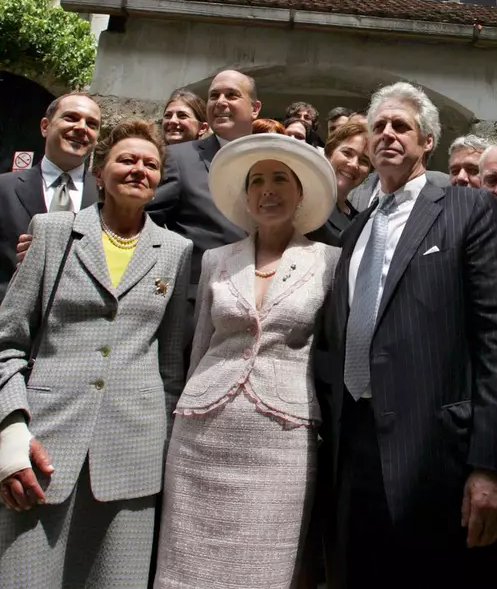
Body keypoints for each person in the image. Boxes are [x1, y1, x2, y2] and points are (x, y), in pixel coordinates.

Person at [317, 81, 497, 589]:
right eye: (378, 126)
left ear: (427, 141)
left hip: (434, 455)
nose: (387, 134)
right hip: (353, 449)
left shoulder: (466, 209)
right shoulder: (354, 230)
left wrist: (490, 465)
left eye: (400, 126)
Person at [0, 119, 192, 589]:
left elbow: (170, 366)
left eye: (150, 164)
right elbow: (7, 341)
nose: (138, 170)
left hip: (132, 455)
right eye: (126, 160)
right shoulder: (52, 232)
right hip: (43, 446)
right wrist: (10, 431)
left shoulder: (176, 251)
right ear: (99, 172)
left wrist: (160, 442)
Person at [153, 134, 339, 589]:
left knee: (268, 569)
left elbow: (330, 352)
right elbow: (199, 346)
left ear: (300, 194)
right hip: (201, 434)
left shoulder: (330, 261)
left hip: (284, 439)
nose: (267, 190)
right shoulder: (216, 258)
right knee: (186, 565)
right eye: (257, 181)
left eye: (280, 179)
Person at [147, 69, 261, 329]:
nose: (220, 102)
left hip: (258, 308)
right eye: (213, 96)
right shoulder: (178, 158)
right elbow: (142, 225)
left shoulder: (271, 160)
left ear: (254, 108)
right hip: (196, 311)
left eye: (232, 95)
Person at [0, 92, 101, 303]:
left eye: (92, 124)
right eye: (71, 118)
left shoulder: (108, 198)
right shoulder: (4, 188)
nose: (82, 127)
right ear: (45, 126)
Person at [310, 120, 371, 246]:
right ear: (329, 153)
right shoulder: (304, 202)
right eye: (347, 153)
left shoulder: (361, 221)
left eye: (364, 161)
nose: (354, 164)